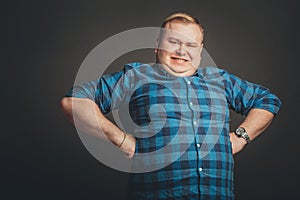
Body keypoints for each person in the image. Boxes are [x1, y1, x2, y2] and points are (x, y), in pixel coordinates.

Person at [60, 12, 281, 199]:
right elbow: (74, 101)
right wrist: (121, 140)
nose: (181, 51)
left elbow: (267, 100)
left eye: (190, 45)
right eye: (174, 42)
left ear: (200, 50)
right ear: (157, 45)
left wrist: (242, 136)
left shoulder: (219, 79)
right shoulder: (138, 76)